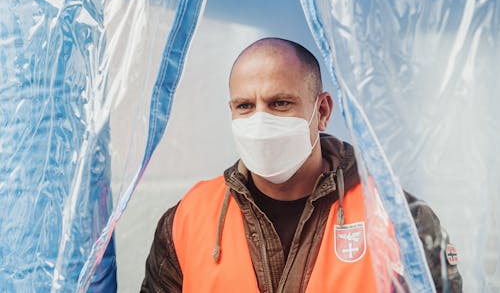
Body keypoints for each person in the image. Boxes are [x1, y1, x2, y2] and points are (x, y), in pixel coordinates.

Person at [141, 38, 462, 292]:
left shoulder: (397, 219)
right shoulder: (187, 220)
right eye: (245, 106)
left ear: (322, 111)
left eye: (280, 103)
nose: (260, 121)